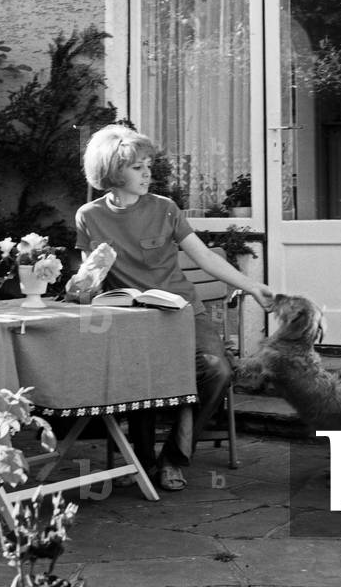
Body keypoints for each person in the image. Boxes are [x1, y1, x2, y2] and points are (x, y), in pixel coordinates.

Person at [76, 124, 274, 493]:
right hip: (132, 322)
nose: (148, 173)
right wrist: (81, 283)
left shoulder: (165, 209)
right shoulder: (89, 216)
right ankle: (144, 463)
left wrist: (250, 286)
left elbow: (204, 258)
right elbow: (91, 277)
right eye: (138, 167)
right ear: (113, 170)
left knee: (217, 371)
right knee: (143, 379)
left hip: (183, 313)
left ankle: (174, 456)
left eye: (149, 164)